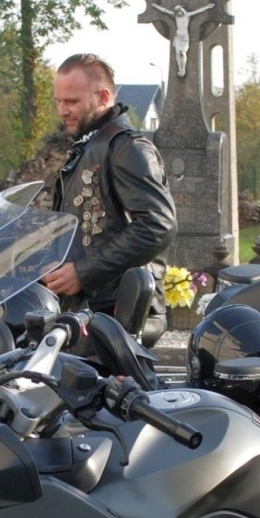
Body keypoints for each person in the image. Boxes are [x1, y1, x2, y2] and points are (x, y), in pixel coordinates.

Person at [40, 53, 177, 340]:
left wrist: (83, 272)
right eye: (58, 101)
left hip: (121, 313)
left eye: (71, 101)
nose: (62, 110)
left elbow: (157, 225)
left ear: (103, 97)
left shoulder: (127, 148)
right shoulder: (90, 145)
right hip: (92, 309)